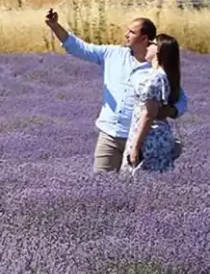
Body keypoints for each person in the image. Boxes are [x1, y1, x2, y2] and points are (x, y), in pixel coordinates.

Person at [45, 10, 188, 173]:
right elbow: (78, 48)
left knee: (136, 189)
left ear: (144, 38)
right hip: (109, 135)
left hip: (140, 138)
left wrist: (171, 111)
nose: (126, 34)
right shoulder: (112, 54)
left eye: (132, 32)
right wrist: (55, 26)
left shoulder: (155, 69)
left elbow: (181, 98)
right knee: (101, 185)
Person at [123, 34, 182, 173]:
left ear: (157, 51)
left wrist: (135, 146)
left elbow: (148, 114)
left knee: (138, 186)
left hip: (149, 140)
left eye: (150, 43)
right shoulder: (165, 76)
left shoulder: (154, 79)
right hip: (160, 138)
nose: (147, 46)